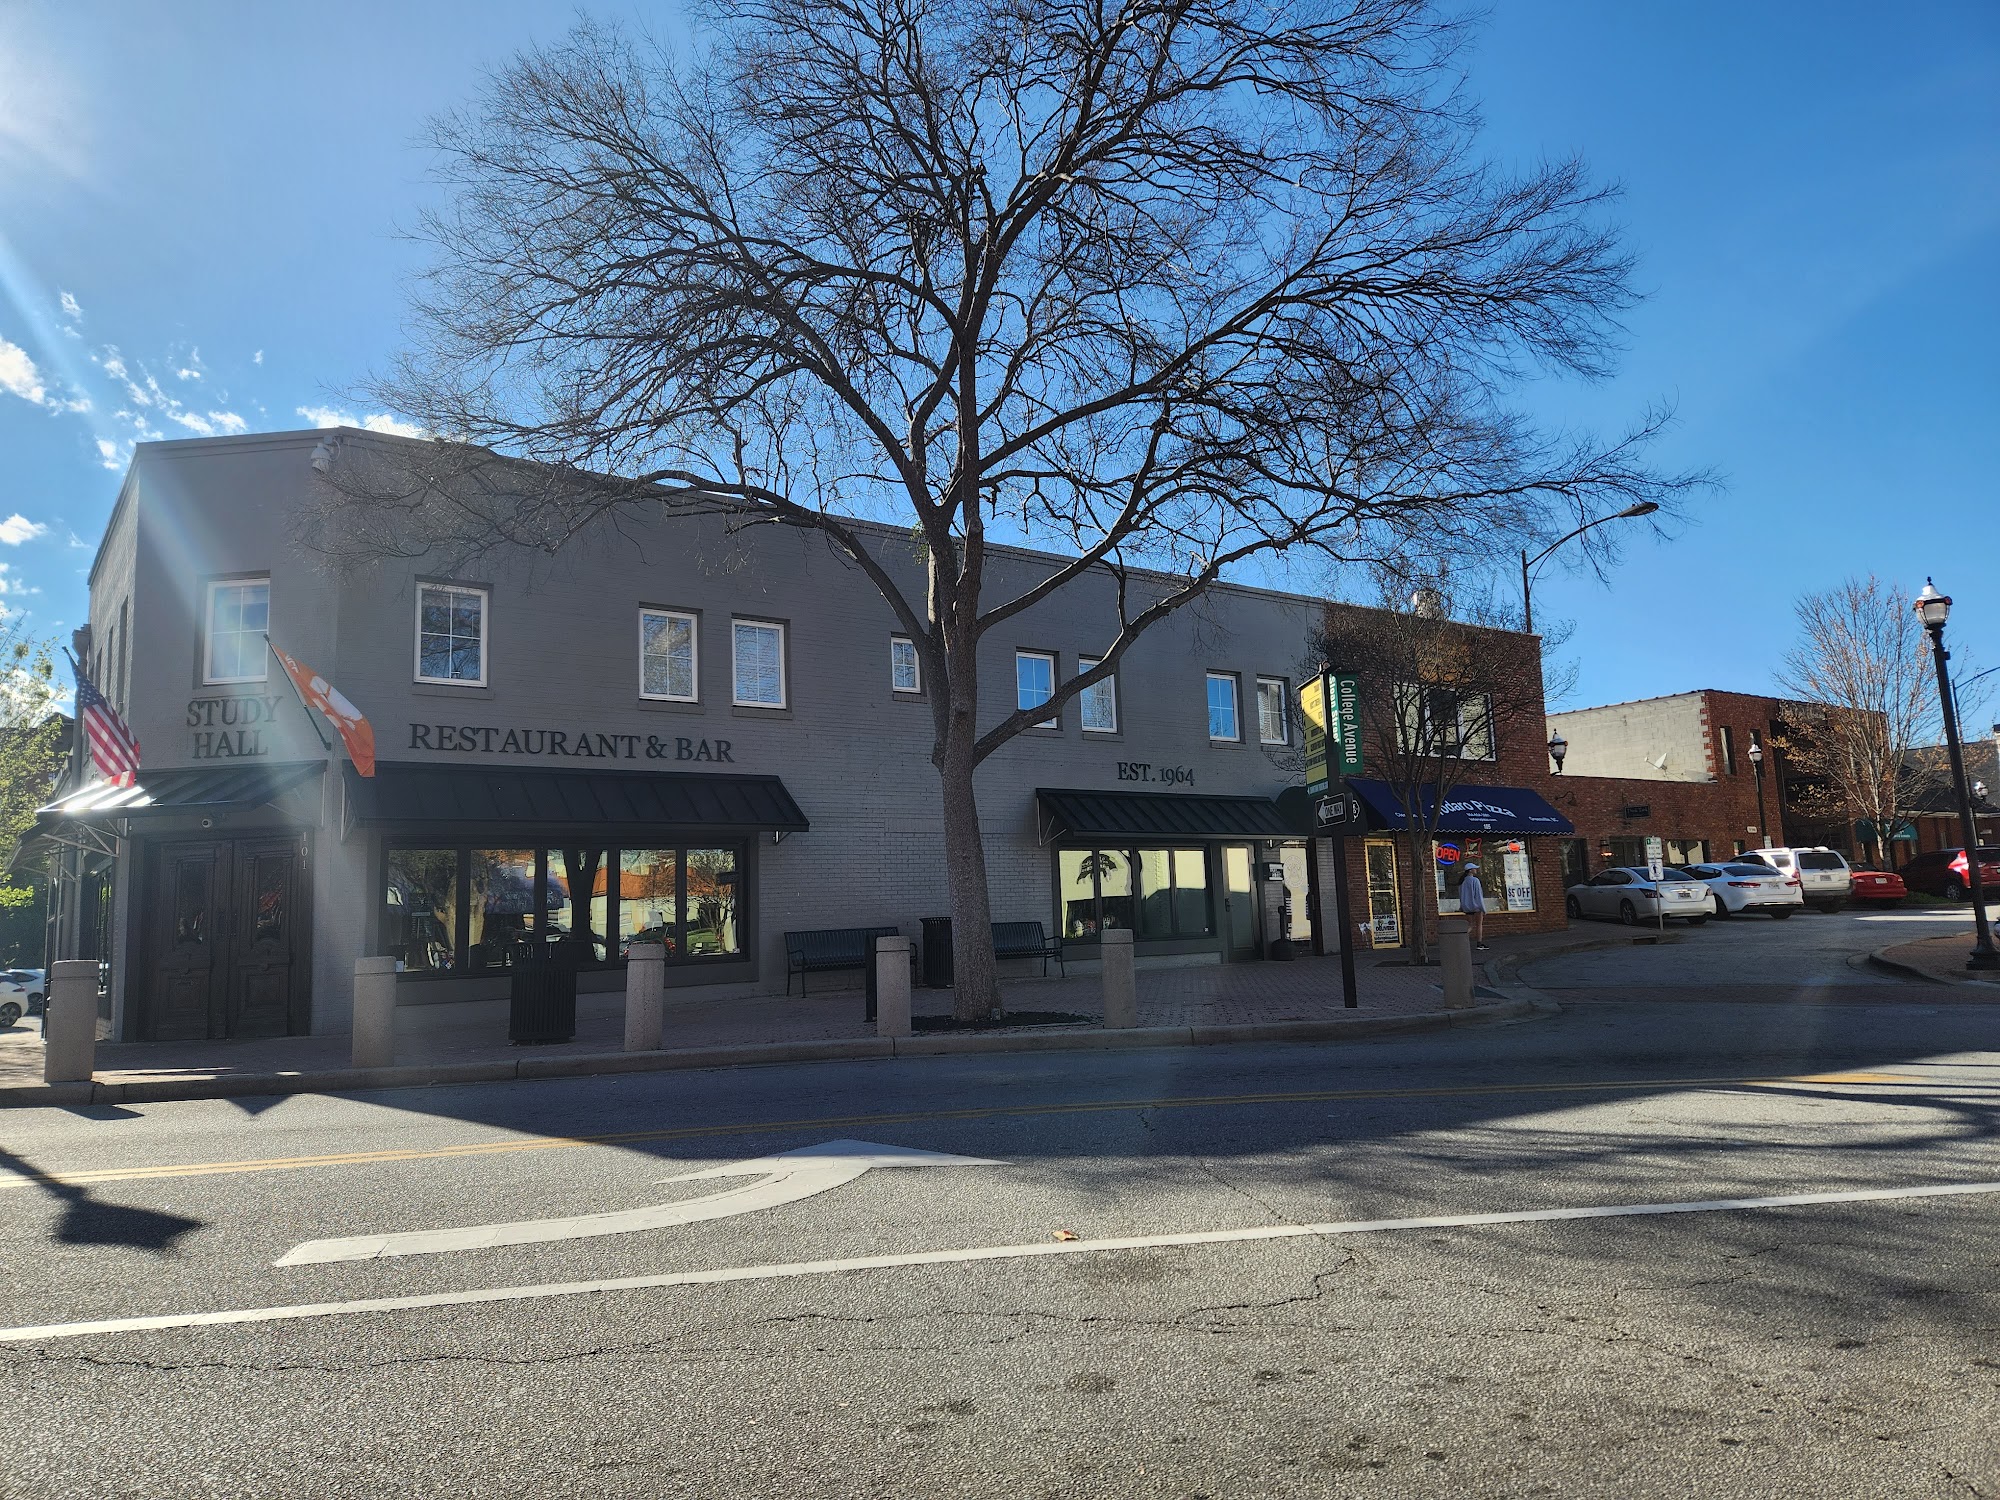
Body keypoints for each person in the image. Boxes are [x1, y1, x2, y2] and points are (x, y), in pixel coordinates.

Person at [1457, 862, 1488, 950]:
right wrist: (1483, 908)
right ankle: (1479, 943)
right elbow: (1478, 895)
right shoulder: (1475, 880)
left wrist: (1462, 906)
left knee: (1470, 925)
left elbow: (1461, 895)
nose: (1476, 870)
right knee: (1479, 925)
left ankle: (1461, 939)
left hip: (1467, 906)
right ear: (1470, 871)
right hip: (1476, 906)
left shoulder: (1462, 882)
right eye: (1474, 868)